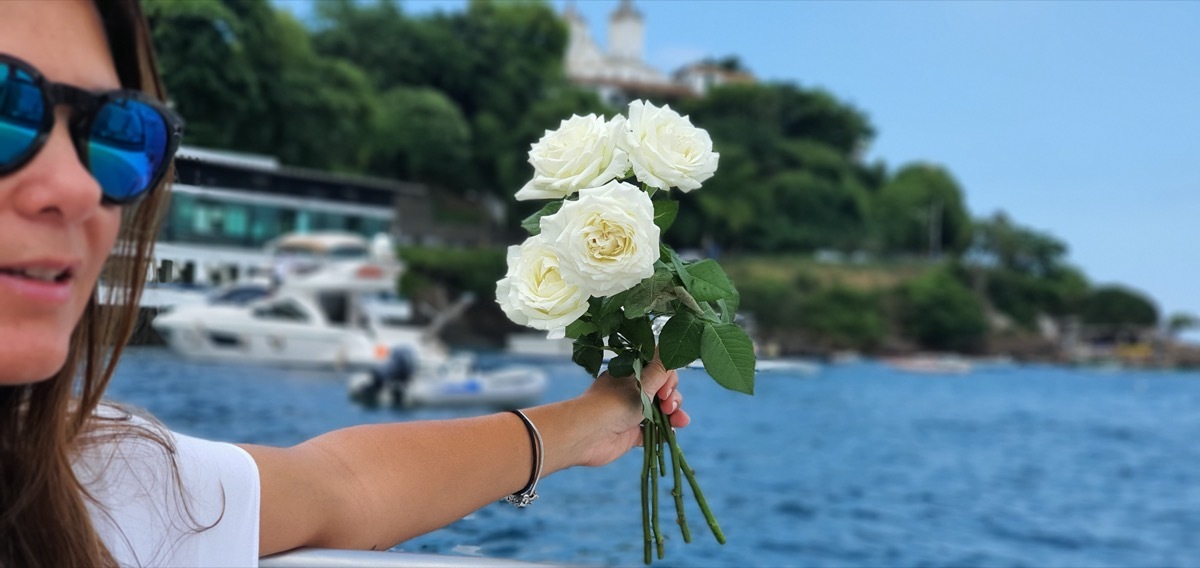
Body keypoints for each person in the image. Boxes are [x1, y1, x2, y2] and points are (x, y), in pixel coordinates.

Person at [0, 1, 690, 566]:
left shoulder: (81, 486)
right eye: (7, 110)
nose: (75, 184)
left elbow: (346, 487)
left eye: (115, 133)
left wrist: (593, 418)